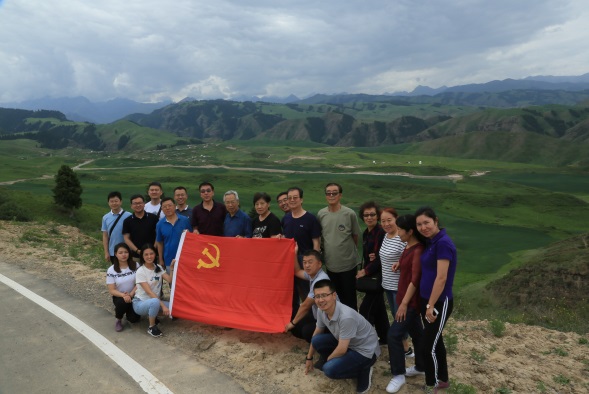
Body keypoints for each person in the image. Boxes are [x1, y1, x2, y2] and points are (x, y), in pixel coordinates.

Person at [305, 279, 380, 394]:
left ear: (334, 295)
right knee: (316, 340)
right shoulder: (321, 310)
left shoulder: (346, 316)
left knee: (329, 369)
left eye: (324, 295)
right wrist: (309, 357)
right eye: (317, 296)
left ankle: (364, 369)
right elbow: (317, 332)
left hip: (365, 350)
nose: (320, 300)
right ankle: (343, 362)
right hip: (347, 342)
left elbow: (341, 349)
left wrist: (328, 362)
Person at [415, 207, 457, 393]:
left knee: (426, 347)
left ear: (436, 221)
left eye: (426, 223)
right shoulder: (431, 241)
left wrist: (431, 305)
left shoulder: (443, 244)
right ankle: (444, 379)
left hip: (439, 302)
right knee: (435, 341)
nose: (423, 227)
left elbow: (441, 278)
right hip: (428, 301)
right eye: (419, 224)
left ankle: (432, 384)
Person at [386, 214, 426, 393]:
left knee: (394, 335)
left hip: (409, 301)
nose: (398, 232)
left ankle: (399, 375)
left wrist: (403, 304)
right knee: (417, 333)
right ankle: (421, 366)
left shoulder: (418, 250)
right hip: (404, 297)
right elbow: (408, 266)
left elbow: (415, 279)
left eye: (400, 229)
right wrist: (399, 264)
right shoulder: (408, 246)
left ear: (410, 231)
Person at [317, 182, 361, 311]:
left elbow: (355, 236)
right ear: (326, 196)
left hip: (348, 264)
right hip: (331, 265)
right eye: (328, 193)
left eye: (334, 193)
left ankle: (352, 328)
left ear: (340, 195)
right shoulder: (321, 214)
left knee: (349, 299)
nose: (331, 195)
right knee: (335, 300)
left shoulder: (349, 213)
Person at [380, 207, 412, 357]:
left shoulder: (401, 237)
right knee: (395, 315)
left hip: (399, 285)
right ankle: (406, 348)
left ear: (396, 220)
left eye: (389, 220)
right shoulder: (386, 236)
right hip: (388, 283)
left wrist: (400, 262)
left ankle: (403, 349)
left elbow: (410, 255)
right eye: (383, 221)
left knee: (400, 319)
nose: (386, 224)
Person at [356, 201, 389, 345]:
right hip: (373, 277)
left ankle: (366, 343)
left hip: (379, 276)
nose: (369, 217)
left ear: (378, 215)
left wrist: (365, 270)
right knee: (380, 309)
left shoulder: (381, 232)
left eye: (372, 214)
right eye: (366, 215)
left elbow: (382, 256)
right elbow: (371, 255)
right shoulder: (366, 233)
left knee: (366, 311)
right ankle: (386, 338)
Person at [281, 186, 321, 302]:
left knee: (307, 294)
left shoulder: (310, 219)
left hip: (305, 261)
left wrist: (314, 263)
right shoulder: (286, 219)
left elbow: (316, 242)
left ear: (301, 199)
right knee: (290, 293)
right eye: (289, 198)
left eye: (295, 197)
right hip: (289, 261)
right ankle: (294, 318)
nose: (292, 200)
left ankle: (310, 319)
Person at [284, 250, 331, 343]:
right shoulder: (313, 275)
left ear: (319, 264)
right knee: (296, 329)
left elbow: (305, 305)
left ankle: (328, 338)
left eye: (310, 262)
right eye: (304, 262)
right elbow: (297, 271)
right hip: (317, 316)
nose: (307, 265)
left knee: (305, 331)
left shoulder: (321, 280)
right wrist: (294, 253)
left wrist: (292, 323)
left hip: (329, 322)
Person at [132, 244, 174, 337]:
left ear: (155, 255)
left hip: (154, 301)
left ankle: (152, 314)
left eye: (151, 254)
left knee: (174, 308)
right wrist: (163, 306)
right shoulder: (141, 271)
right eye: (146, 254)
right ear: (142, 256)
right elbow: (149, 292)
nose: (149, 256)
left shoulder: (158, 267)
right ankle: (151, 326)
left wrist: (171, 268)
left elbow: (170, 280)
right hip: (140, 303)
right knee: (155, 302)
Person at [106, 243, 140, 332]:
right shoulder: (111, 270)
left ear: (129, 253)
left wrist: (131, 294)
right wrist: (123, 295)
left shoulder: (136, 265)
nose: (123, 255)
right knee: (122, 303)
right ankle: (118, 318)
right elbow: (112, 290)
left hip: (134, 295)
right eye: (120, 253)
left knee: (134, 319)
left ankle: (126, 309)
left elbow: (140, 283)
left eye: (126, 252)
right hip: (119, 297)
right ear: (116, 254)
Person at [155, 197, 192, 273]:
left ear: (175, 206)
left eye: (170, 205)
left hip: (185, 258)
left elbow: (192, 238)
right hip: (169, 259)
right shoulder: (160, 224)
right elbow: (160, 243)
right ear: (162, 209)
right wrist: (161, 260)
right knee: (172, 283)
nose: (167, 208)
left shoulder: (185, 220)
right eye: (164, 206)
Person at [123, 194, 159, 260]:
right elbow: (126, 239)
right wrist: (137, 250)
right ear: (131, 206)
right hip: (136, 256)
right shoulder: (127, 221)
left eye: (140, 203)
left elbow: (158, 235)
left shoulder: (153, 218)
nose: (138, 205)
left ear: (144, 204)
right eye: (135, 203)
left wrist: (152, 249)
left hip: (153, 255)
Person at [101, 191, 132, 263]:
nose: (114, 203)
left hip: (127, 251)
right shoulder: (105, 217)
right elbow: (105, 236)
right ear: (108, 203)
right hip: (113, 251)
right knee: (116, 271)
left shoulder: (129, 215)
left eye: (116, 201)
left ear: (121, 202)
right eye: (111, 201)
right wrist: (106, 252)